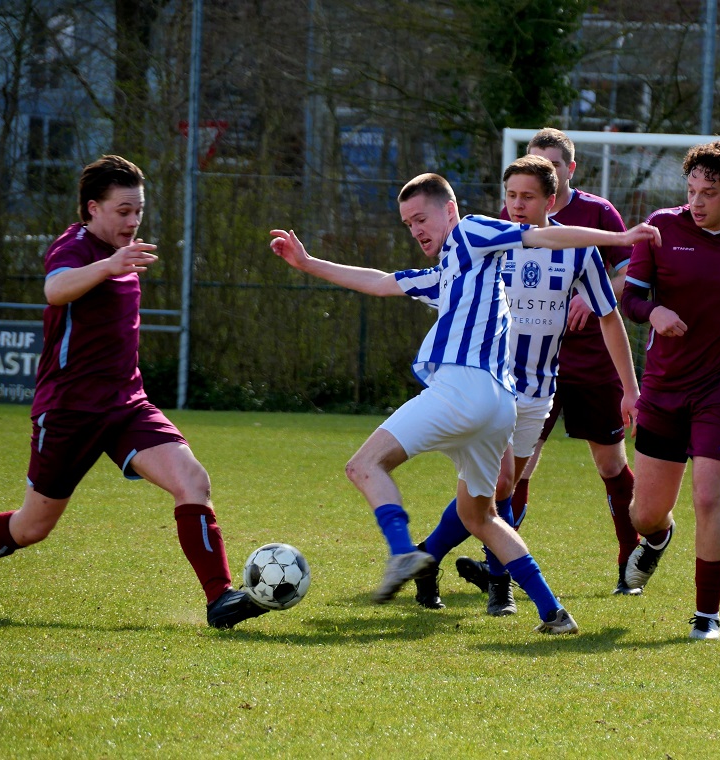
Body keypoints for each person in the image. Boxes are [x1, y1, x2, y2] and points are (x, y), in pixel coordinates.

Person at [270, 170, 660, 635]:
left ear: (449, 210)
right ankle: (553, 612)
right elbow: (380, 281)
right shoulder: (449, 274)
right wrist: (309, 262)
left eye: (421, 218)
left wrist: (621, 236)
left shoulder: (472, 231)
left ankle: (402, 552)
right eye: (407, 224)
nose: (415, 230)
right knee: (482, 514)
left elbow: (544, 235)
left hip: (463, 390)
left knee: (363, 466)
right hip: (500, 403)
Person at [0, 155, 266, 630]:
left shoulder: (123, 255)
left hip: (127, 406)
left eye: (138, 210)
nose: (133, 220)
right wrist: (108, 265)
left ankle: (219, 598)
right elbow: (55, 289)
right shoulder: (76, 246)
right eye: (123, 210)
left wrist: (116, 263)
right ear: (92, 208)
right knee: (33, 527)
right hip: (67, 411)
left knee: (194, 482)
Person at [412, 154, 641, 616]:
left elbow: (610, 319)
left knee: (499, 490)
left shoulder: (577, 249)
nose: (516, 204)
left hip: (539, 389)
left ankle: (426, 557)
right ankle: (501, 586)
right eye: (511, 195)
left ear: (550, 200)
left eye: (527, 196)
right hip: (488, 383)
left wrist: (630, 388)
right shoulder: (489, 241)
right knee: (496, 486)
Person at [619, 140, 720, 640]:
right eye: (691, 189)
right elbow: (632, 297)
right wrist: (655, 312)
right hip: (667, 386)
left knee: (709, 497)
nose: (696, 200)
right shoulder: (662, 228)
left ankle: (706, 616)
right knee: (645, 514)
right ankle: (657, 538)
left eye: (709, 192)